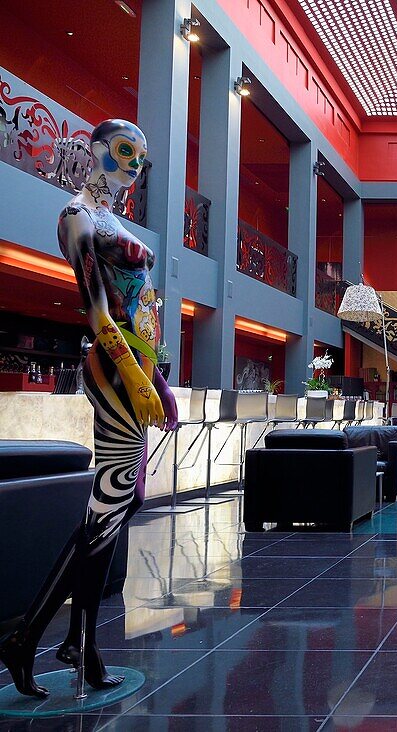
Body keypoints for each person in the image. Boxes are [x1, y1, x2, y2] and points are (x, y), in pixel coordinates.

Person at [0, 120, 178, 699]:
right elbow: (100, 316)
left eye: (141, 160)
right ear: (98, 151)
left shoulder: (115, 221)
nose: (133, 167)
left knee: (115, 509)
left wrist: (160, 380)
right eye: (126, 153)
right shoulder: (77, 216)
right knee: (106, 512)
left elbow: (141, 301)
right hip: (112, 369)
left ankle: (73, 641)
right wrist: (137, 377)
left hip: (140, 370)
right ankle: (35, 638)